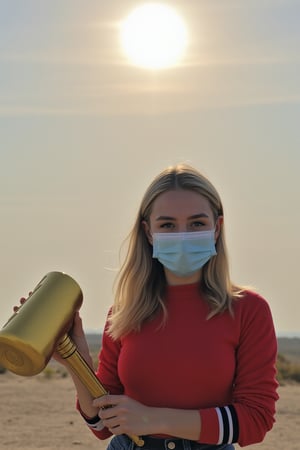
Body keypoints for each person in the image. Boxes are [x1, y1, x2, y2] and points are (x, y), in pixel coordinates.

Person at [20, 164, 279, 450]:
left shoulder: (248, 310)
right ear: (148, 232)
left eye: (196, 223)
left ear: (217, 228)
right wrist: (76, 360)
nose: (182, 235)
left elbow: (255, 420)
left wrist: (154, 420)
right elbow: (103, 425)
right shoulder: (124, 314)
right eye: (167, 225)